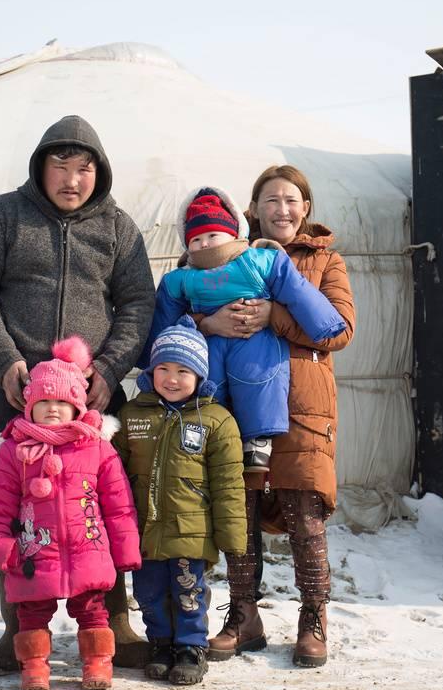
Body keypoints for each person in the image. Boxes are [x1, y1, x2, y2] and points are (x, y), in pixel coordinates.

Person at [0, 115, 156, 673]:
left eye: (84, 169)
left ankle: (115, 622)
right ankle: (17, 630)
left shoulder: (117, 227)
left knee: (102, 504)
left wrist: (111, 370)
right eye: (61, 167)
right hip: (14, 392)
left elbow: (140, 302)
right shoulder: (3, 215)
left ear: (100, 172)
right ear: (40, 167)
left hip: (92, 397)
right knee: (17, 507)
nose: (72, 180)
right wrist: (5, 362)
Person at [203, 165, 355, 668]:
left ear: (306, 208)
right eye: (271, 200)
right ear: (253, 209)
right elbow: (186, 308)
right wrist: (209, 320)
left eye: (292, 200)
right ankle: (244, 615)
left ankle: (313, 618)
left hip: (306, 404)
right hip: (241, 402)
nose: (282, 210)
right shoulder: (228, 255)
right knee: (239, 513)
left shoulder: (326, 262)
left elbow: (338, 330)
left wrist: (275, 317)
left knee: (305, 515)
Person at [143, 186, 346, 475]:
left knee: (259, 379)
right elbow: (164, 317)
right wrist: (151, 355)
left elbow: (296, 291)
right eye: (196, 239)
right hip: (209, 343)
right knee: (206, 390)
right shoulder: (181, 278)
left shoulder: (259, 259)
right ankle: (205, 446)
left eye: (213, 235)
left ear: (235, 233)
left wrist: (324, 322)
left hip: (255, 340)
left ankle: (258, 441)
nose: (205, 244)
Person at [0, 336, 141, 690]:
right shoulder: (15, 451)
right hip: (35, 553)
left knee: (94, 612)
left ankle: (98, 662)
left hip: (89, 549)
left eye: (62, 402)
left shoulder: (97, 448)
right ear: (28, 406)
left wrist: (126, 550)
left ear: (78, 407)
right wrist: (2, 547)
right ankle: (34, 666)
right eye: (44, 401)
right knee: (31, 614)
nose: (53, 408)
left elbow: (119, 503)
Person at [113, 316, 246, 685]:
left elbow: (228, 485)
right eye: (164, 368)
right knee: (149, 593)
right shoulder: (132, 415)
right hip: (145, 529)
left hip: (192, 530)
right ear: (151, 371)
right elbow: (114, 473)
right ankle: (160, 644)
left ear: (200, 376)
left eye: (183, 370)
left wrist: (232, 538)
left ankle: (190, 648)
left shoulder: (216, 421)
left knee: (189, 592)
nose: (172, 378)